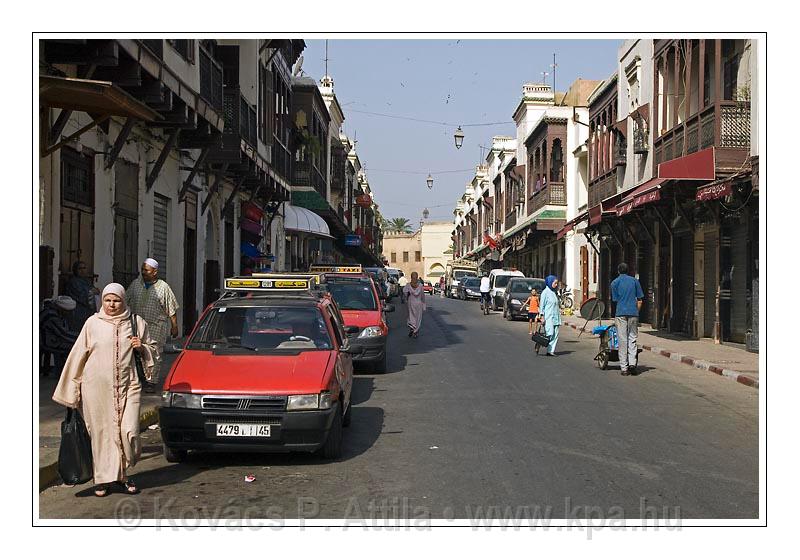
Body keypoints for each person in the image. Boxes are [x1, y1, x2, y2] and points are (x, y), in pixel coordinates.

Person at [53, 283, 158, 497]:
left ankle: (120, 472)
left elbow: (154, 350)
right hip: (96, 388)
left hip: (129, 386)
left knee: (129, 431)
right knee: (102, 434)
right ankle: (105, 480)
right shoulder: (92, 323)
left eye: (116, 300)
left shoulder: (136, 322)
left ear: (123, 300)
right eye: (108, 300)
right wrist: (71, 390)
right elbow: (77, 355)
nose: (111, 304)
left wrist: (142, 347)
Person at [126, 258, 179, 389]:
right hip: (136, 326)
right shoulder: (135, 284)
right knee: (136, 352)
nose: (143, 272)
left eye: (146, 270)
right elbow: (126, 301)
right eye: (142, 269)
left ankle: (151, 382)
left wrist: (174, 326)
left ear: (154, 272)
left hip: (155, 326)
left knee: (154, 354)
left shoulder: (163, 287)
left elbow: (171, 309)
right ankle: (137, 379)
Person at [610, 262, 644, 376]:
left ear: (618, 271)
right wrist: (636, 312)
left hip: (620, 313)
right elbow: (640, 299)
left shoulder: (614, 283)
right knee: (632, 338)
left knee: (622, 340)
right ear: (628, 270)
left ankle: (624, 368)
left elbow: (615, 299)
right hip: (633, 313)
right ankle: (632, 364)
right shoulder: (635, 281)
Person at [40, 296, 79, 376]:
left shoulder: (55, 313)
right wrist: (80, 338)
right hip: (45, 341)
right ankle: (65, 373)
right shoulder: (51, 315)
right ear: (62, 309)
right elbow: (63, 334)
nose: (70, 313)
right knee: (73, 347)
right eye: (68, 311)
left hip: (52, 339)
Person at [64, 261, 98, 332]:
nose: (82, 270)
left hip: (88, 310)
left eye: (84, 268)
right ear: (75, 270)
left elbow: (94, 290)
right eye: (80, 268)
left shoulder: (86, 281)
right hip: (78, 310)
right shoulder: (73, 282)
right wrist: (91, 292)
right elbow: (82, 295)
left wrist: (94, 291)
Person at [539, 275, 561, 356]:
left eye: (556, 283)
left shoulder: (553, 292)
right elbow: (542, 305)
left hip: (556, 317)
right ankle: (541, 343)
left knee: (555, 334)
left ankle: (550, 351)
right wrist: (541, 316)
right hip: (548, 317)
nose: (556, 285)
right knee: (549, 333)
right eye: (555, 283)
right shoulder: (545, 293)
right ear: (550, 282)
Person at [403, 272, 426, 338]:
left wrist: (408, 295)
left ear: (411, 277)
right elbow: (422, 296)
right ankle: (415, 332)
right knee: (418, 318)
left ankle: (412, 328)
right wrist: (424, 305)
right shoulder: (420, 286)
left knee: (411, 316)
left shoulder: (408, 285)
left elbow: (404, 292)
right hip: (418, 303)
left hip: (411, 303)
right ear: (417, 277)